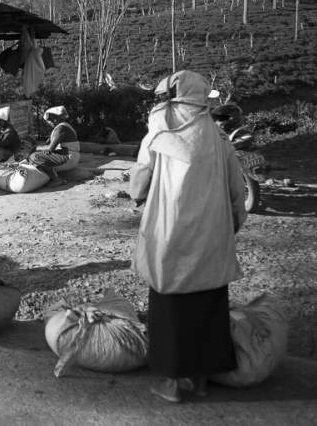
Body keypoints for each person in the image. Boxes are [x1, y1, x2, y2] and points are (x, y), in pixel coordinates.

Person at [129, 70, 247, 403]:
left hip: (172, 232)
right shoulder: (216, 133)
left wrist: (137, 194)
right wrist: (235, 218)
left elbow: (142, 172)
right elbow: (236, 185)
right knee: (208, 304)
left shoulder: (161, 127)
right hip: (211, 232)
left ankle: (173, 383)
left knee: (171, 304)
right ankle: (200, 379)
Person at [30, 106, 80, 185]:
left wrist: (36, 148)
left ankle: (56, 179)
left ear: (56, 117)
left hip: (69, 157)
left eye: (50, 119)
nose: (49, 122)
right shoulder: (60, 128)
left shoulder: (62, 128)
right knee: (35, 155)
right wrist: (36, 147)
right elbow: (47, 145)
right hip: (68, 156)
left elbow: (50, 149)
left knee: (36, 157)